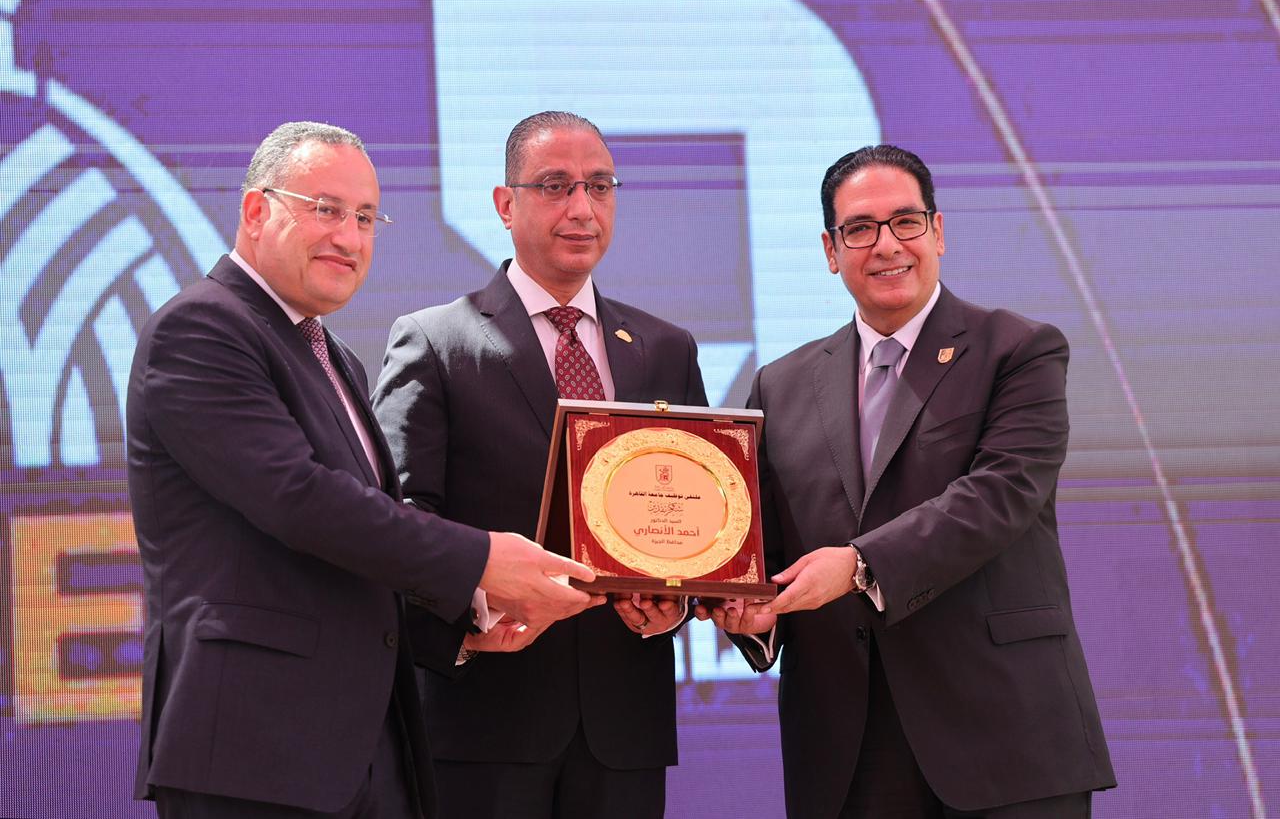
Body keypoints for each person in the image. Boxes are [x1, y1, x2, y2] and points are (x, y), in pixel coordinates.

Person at [127, 120, 599, 819]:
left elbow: (365, 540)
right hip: (254, 750)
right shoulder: (201, 328)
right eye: (326, 210)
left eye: (366, 218)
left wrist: (464, 623)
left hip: (361, 752)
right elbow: (300, 500)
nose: (349, 238)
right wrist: (482, 559)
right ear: (256, 211)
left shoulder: (334, 356)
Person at [697, 144, 1115, 817]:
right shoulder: (781, 385)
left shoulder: (1018, 351)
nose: (887, 245)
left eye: (906, 222)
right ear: (831, 251)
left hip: (1004, 735)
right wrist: (750, 611)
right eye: (860, 229)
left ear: (937, 232)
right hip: (848, 750)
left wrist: (859, 565)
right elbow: (760, 548)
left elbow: (999, 495)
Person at [372, 110, 708, 819]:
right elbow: (399, 522)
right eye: (555, 186)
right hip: (483, 721)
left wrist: (672, 603)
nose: (582, 208)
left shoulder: (666, 348)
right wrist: (482, 611)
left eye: (599, 186)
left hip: (625, 726)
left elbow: (696, 513)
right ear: (505, 204)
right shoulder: (435, 342)